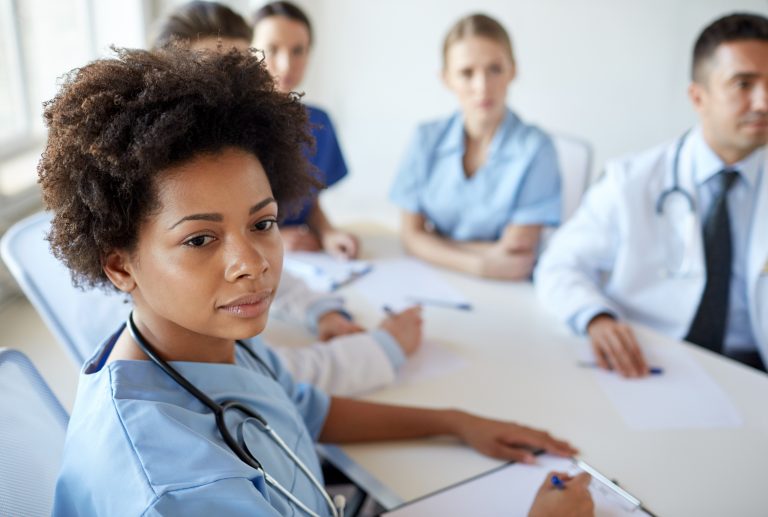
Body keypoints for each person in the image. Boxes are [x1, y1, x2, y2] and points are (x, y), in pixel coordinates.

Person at [46, 46, 592, 516]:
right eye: (200, 239)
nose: (251, 263)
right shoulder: (178, 492)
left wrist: (457, 422)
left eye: (262, 224)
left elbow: (299, 408)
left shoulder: (206, 340)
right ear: (120, 266)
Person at [152, 0, 422, 396]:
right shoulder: (159, 201)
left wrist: (321, 311)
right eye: (208, 80)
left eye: (240, 76)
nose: (229, 99)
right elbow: (248, 379)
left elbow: (250, 267)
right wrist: (382, 349)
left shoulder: (225, 161)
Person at [535, 13, 768, 377]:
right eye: (743, 84)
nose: (763, 102)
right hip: (652, 360)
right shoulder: (630, 180)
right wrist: (596, 317)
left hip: (753, 373)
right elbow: (558, 264)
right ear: (698, 97)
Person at [390, 13, 562, 281]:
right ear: (446, 78)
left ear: (513, 71)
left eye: (494, 69)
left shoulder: (537, 149)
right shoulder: (425, 138)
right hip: (434, 278)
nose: (482, 86)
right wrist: (480, 264)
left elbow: (516, 255)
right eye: (466, 73)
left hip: (507, 290)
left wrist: (431, 240)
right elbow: (409, 236)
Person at [251, 1, 359, 259]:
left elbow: (309, 203)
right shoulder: (227, 124)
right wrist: (272, 238)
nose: (286, 64)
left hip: (303, 258)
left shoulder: (319, 124)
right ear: (248, 50)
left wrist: (328, 233)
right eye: (272, 49)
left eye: (298, 50)